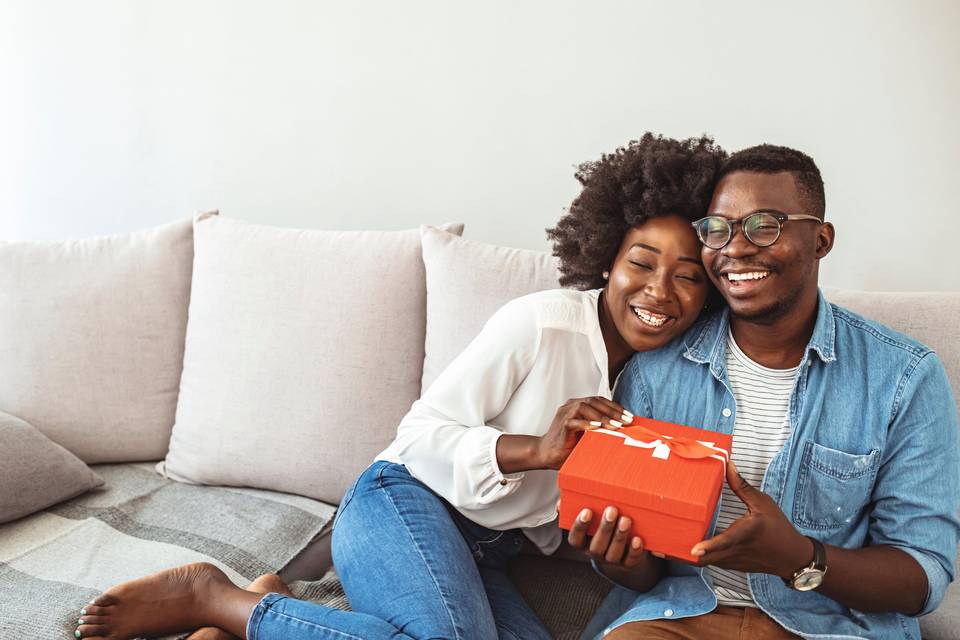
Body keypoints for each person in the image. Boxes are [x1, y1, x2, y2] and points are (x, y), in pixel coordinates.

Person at [68, 133, 727, 640]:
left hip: (488, 552)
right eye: (641, 263)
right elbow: (419, 436)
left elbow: (620, 543)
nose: (660, 291)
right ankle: (218, 599)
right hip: (402, 498)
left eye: (689, 275)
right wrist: (536, 449)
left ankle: (278, 608)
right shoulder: (542, 324)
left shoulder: (673, 384)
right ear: (607, 259)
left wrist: (616, 554)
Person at [569, 144, 960, 640]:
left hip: (827, 625)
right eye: (718, 229)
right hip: (678, 618)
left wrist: (800, 558)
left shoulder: (904, 378)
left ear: (821, 239)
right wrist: (619, 557)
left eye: (764, 226)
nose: (735, 248)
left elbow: (922, 575)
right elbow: (650, 567)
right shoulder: (655, 373)